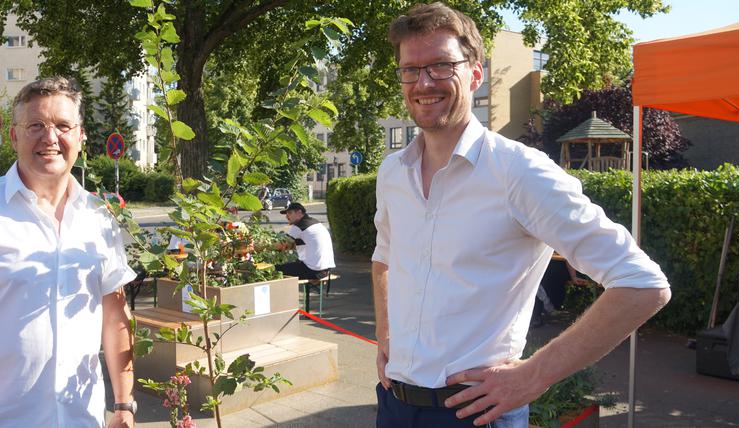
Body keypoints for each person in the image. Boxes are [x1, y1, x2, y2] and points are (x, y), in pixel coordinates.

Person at [371, 4, 671, 427]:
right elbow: (383, 257)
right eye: (410, 69)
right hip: (393, 404)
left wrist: (534, 376)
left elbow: (642, 284)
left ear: (475, 73)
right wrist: (385, 334)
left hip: (476, 412)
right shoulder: (392, 172)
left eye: (441, 66)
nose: (423, 83)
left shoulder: (518, 171)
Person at [0, 77, 137, 428]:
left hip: (82, 419)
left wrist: (124, 405)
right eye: (36, 125)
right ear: (14, 136)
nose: (50, 138)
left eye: (63, 126)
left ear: (80, 137)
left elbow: (115, 316)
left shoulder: (100, 218)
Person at [275, 202, 335, 280]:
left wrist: (256, 248)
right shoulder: (315, 222)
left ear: (299, 212)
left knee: (275, 269)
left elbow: (281, 244)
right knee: (294, 262)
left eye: (290, 213)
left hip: (313, 270)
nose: (287, 216)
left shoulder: (299, 226)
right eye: (286, 214)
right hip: (326, 270)